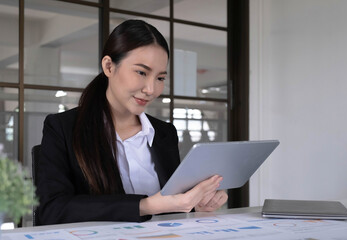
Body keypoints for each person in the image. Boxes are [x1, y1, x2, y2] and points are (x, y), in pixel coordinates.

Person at [36, 19, 228, 225]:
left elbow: (171, 206)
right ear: (109, 66)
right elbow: (51, 210)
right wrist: (145, 206)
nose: (151, 89)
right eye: (141, 72)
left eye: (160, 78)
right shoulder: (63, 128)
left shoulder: (165, 133)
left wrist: (194, 204)